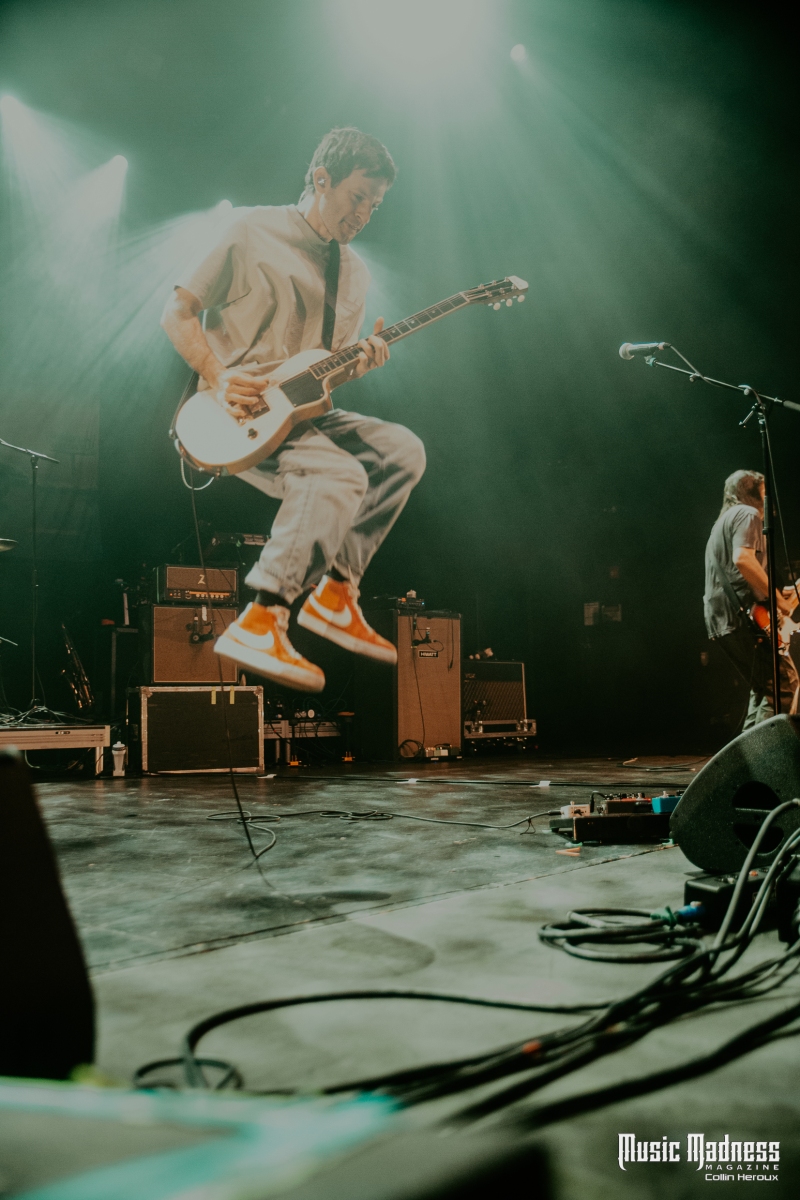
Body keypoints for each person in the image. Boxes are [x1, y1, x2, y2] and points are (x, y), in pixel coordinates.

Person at [161, 128, 426, 692]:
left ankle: (337, 593)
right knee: (338, 474)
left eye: (375, 206)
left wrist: (359, 363)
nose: (364, 215)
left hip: (299, 413)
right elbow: (177, 312)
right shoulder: (249, 229)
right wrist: (218, 374)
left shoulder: (354, 273)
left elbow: (321, 372)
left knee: (402, 451)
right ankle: (262, 617)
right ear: (322, 179)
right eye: (357, 197)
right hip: (235, 414)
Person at [703, 468, 799, 729]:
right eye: (765, 493)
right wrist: (779, 603)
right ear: (752, 493)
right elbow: (743, 560)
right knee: (783, 686)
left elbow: (734, 576)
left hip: (723, 619)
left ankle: (750, 754)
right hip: (743, 616)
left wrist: (779, 593)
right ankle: (770, 754)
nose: (769, 502)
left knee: (764, 691)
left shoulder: (721, 523)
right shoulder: (747, 513)